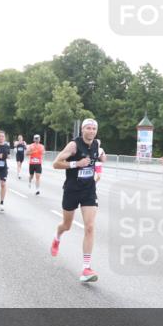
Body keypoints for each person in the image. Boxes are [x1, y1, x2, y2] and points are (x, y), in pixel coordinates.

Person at [50, 119, 105, 283]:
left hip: (88, 190)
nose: (91, 131)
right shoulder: (73, 145)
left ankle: (86, 268)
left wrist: (101, 162)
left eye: (94, 128)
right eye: (88, 128)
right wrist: (76, 163)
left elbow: (99, 158)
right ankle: (57, 236)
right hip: (72, 190)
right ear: (82, 130)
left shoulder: (97, 143)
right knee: (66, 225)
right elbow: (56, 163)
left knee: (89, 226)